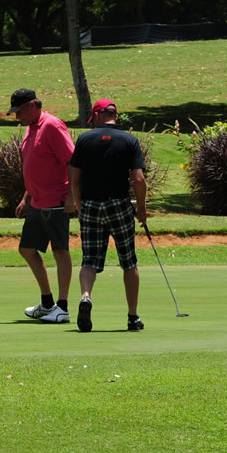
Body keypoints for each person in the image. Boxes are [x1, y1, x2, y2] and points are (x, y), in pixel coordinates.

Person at [68, 99, 147, 332]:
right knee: (129, 262)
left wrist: (80, 205)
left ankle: (85, 296)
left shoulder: (84, 139)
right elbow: (139, 179)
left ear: (97, 116)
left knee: (89, 260)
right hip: (119, 204)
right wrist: (141, 209)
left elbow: (75, 180)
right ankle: (133, 317)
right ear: (116, 116)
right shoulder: (130, 141)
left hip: (91, 204)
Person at [6, 88, 76, 323]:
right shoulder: (31, 128)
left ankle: (63, 307)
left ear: (32, 105)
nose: (17, 117)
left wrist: (72, 196)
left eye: (19, 112)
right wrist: (26, 198)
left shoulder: (52, 126)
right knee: (26, 249)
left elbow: (72, 161)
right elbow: (36, 166)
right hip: (37, 201)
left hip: (57, 200)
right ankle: (47, 303)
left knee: (60, 250)